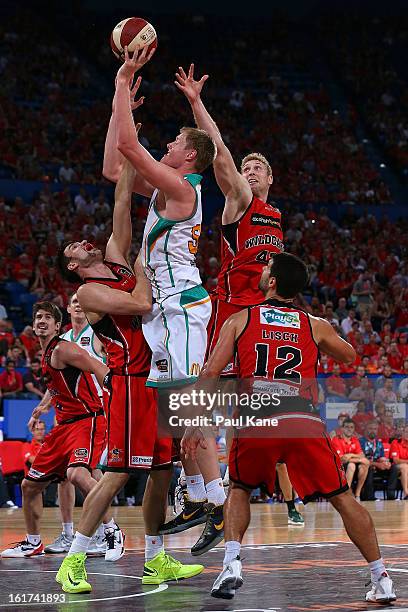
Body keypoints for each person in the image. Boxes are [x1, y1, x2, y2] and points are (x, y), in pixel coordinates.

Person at [182, 253, 395, 603]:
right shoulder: (315, 324)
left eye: (267, 270)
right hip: (302, 418)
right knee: (342, 498)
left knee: (239, 488)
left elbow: (210, 373)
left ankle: (232, 564)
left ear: (273, 282)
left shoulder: (240, 318)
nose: (262, 271)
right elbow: (350, 357)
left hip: (257, 417)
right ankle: (381, 578)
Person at [57, 159, 203, 591]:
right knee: (119, 473)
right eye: (73, 248)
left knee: (162, 470)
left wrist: (126, 145)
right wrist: (145, 270)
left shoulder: (116, 259)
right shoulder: (88, 292)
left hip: (155, 378)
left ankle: (156, 559)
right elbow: (141, 304)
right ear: (72, 266)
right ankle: (73, 559)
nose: (82, 242)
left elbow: (122, 198)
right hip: (127, 384)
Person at [174, 64, 304, 535]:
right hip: (232, 312)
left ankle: (223, 495)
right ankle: (196, 486)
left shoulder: (275, 215)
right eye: (245, 168)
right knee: (211, 400)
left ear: (270, 178)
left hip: (266, 319)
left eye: (257, 167)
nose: (247, 170)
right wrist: (195, 102)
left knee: (255, 415)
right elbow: (221, 153)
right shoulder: (238, 203)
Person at [110, 49, 225, 556]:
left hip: (181, 307)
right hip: (164, 311)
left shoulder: (182, 187)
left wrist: (123, 78)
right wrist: (119, 107)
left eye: (177, 141)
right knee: (176, 416)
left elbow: (132, 147)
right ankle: (202, 496)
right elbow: (117, 164)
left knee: (191, 410)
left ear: (190, 157)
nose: (170, 143)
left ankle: (217, 504)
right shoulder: (166, 182)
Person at [1, 302, 113, 560]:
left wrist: (119, 395)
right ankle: (38, 541)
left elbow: (99, 368)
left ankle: (110, 532)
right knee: (31, 485)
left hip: (88, 418)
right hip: (64, 424)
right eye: (37, 316)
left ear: (56, 324)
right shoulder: (49, 352)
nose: (41, 320)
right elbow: (57, 386)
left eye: (47, 317)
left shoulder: (67, 346)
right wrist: (40, 409)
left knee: (81, 475)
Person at [37, 293, 108, 556]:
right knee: (63, 475)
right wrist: (45, 404)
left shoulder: (98, 334)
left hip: (96, 409)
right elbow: (56, 378)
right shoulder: (62, 340)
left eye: (82, 301)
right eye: (74, 301)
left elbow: (107, 366)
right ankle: (67, 533)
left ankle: (103, 531)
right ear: (67, 309)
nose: (78, 305)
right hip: (68, 411)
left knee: (91, 470)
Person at [332, 419, 370, 500]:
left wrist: (351, 455)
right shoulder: (336, 439)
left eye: (351, 427)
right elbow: (342, 459)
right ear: (342, 428)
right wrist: (359, 459)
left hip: (352, 466)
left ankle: (357, 494)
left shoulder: (355, 440)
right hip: (338, 468)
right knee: (352, 465)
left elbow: (361, 455)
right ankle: (347, 493)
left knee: (364, 466)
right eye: (347, 427)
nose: (349, 429)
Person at [360, 420, 398, 501]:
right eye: (370, 428)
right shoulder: (360, 442)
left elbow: (381, 457)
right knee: (368, 468)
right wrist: (377, 464)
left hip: (377, 466)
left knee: (394, 468)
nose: (373, 430)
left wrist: (386, 463)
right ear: (366, 429)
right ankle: (370, 497)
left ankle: (391, 495)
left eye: (375, 429)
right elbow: (362, 459)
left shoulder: (378, 443)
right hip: (365, 466)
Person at [389, 425, 408, 499]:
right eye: (406, 432)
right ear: (402, 433)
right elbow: (396, 460)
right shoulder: (396, 442)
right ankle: (406, 493)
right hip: (396, 467)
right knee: (405, 467)